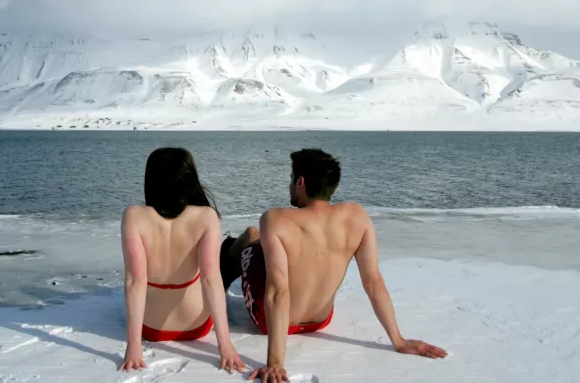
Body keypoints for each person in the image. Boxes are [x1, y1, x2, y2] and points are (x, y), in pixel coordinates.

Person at [220, 148, 448, 382]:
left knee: (252, 238)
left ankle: (223, 270)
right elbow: (373, 281)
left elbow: (278, 292)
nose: (289, 185)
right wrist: (399, 340)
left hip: (269, 323)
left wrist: (275, 363)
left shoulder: (275, 219)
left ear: (300, 182)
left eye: (291, 179)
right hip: (321, 319)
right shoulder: (356, 216)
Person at [117, 147, 246, 374]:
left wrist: (134, 345)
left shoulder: (134, 216)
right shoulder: (206, 216)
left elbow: (134, 281)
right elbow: (211, 280)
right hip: (197, 325)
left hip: (152, 328)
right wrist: (225, 345)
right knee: (215, 270)